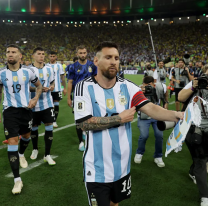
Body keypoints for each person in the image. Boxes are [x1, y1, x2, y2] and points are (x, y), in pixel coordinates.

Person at [74, 41, 183, 206]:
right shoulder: (83, 87)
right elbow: (83, 124)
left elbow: (150, 108)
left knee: (115, 203)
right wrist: (119, 118)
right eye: (108, 57)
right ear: (95, 61)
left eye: (116, 58)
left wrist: (177, 115)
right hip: (97, 169)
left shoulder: (128, 87)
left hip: (122, 167)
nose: (114, 61)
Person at [0, 44, 42, 194]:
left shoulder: (28, 72)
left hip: (26, 111)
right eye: (8, 52)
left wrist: (35, 99)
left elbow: (39, 86)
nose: (10, 54)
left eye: (13, 52)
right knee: (12, 141)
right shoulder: (1, 73)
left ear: (20, 56)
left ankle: (21, 154)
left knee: (26, 137)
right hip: (10, 112)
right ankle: (17, 180)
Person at [178, 64, 208, 206]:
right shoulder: (196, 83)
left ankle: (192, 171)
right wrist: (194, 87)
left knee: (202, 160)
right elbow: (180, 97)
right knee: (201, 161)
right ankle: (205, 197)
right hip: (195, 129)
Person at [67, 45, 97, 151]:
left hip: (90, 96)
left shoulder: (92, 65)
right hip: (78, 96)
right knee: (79, 120)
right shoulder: (72, 67)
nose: (83, 55)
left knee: (90, 118)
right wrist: (68, 98)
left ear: (87, 53)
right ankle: (80, 142)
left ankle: (88, 137)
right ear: (77, 54)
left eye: (84, 53)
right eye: (80, 53)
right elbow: (70, 82)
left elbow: (96, 80)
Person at [29, 47, 56, 165]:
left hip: (47, 104)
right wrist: (38, 88)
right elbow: (27, 87)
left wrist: (50, 88)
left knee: (49, 127)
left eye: (43, 54)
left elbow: (53, 84)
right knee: (33, 127)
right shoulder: (28, 70)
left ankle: (47, 154)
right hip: (33, 104)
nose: (41, 56)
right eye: (39, 54)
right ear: (33, 55)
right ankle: (35, 149)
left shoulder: (49, 69)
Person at [134, 76, 168, 167]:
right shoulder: (138, 89)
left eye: (151, 84)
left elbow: (165, 93)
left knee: (159, 135)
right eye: (146, 85)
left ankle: (158, 156)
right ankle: (139, 152)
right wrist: (141, 92)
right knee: (144, 135)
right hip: (144, 116)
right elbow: (133, 103)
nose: (149, 86)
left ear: (154, 83)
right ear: (143, 84)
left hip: (156, 115)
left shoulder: (158, 88)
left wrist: (166, 103)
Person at [48, 51, 67, 128]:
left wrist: (64, 88)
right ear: (49, 57)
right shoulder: (46, 66)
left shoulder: (59, 66)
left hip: (57, 88)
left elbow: (62, 77)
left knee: (56, 104)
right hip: (48, 89)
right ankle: (49, 118)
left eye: (53, 56)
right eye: (51, 56)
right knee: (49, 105)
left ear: (56, 57)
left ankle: (54, 120)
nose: (52, 58)